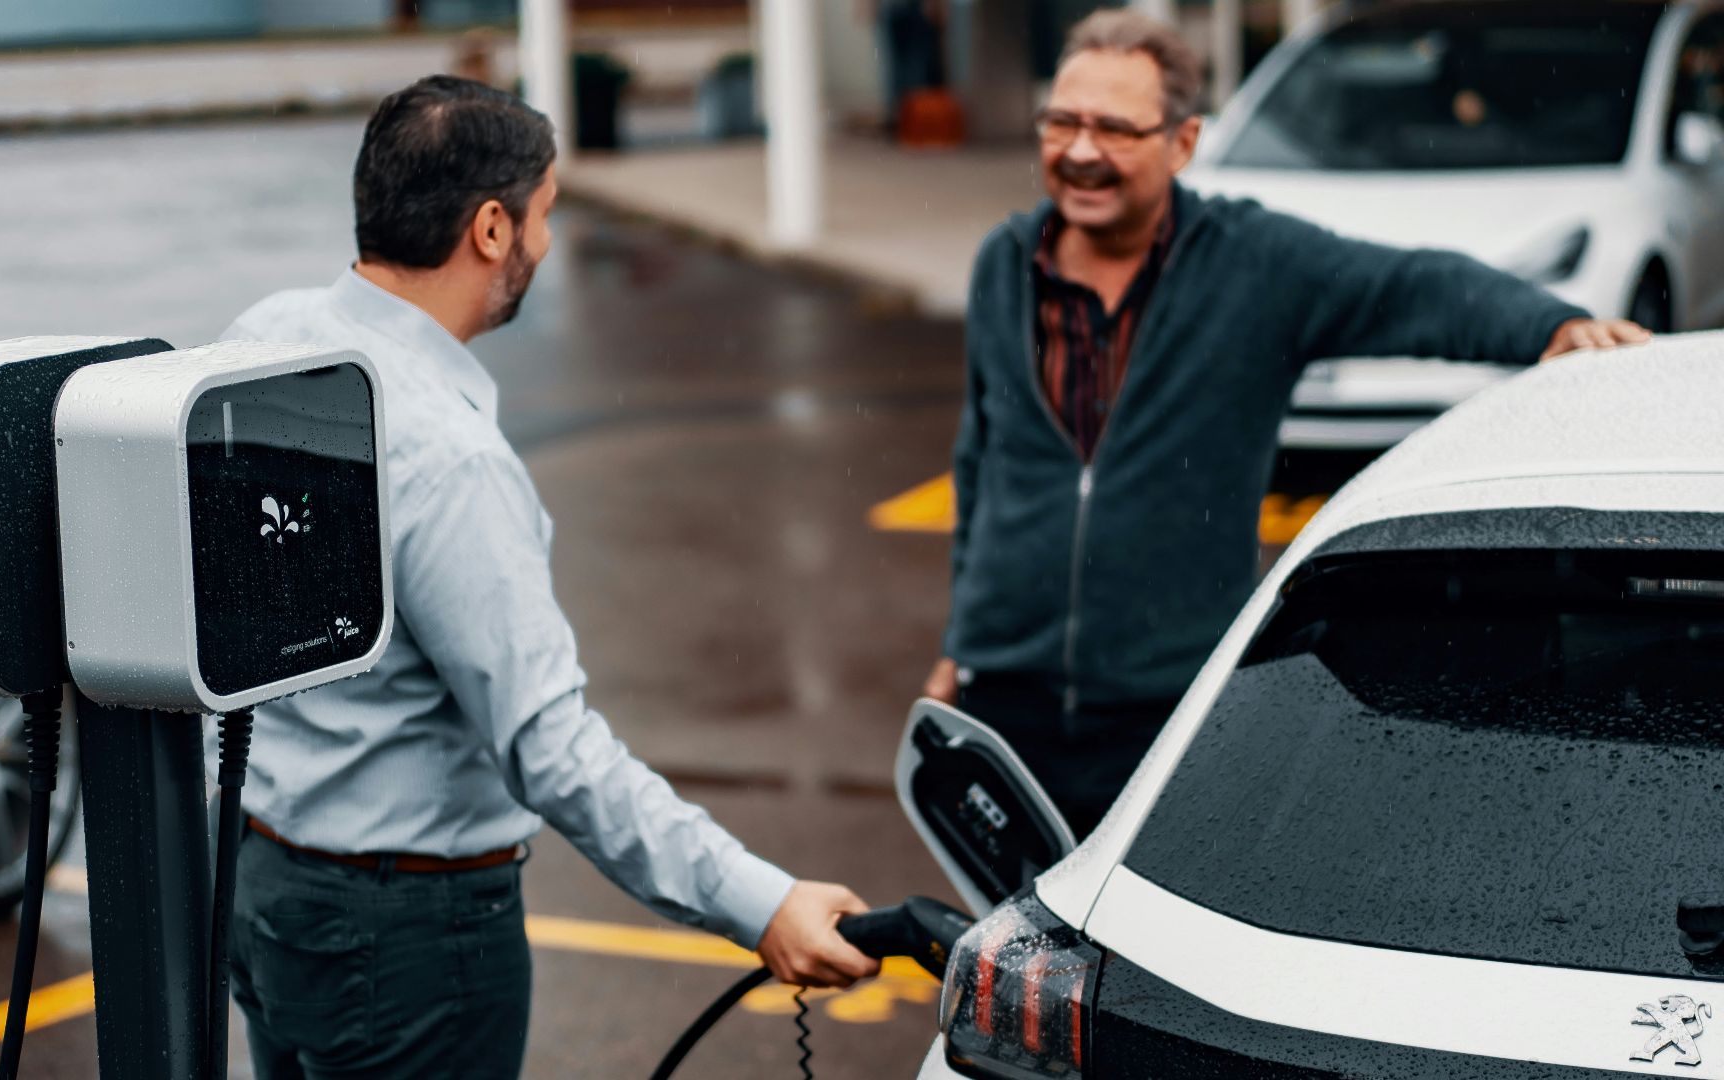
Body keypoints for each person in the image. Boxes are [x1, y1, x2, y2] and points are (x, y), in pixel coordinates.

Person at [221, 76, 878, 1080]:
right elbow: (555, 752)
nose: (546, 243)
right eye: (546, 218)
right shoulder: (450, 461)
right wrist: (760, 901)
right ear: (491, 229)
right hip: (409, 945)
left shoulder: (264, 338)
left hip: (267, 891)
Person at [924, 11, 1650, 836]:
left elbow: (1408, 285)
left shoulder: (1256, 264)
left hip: (1170, 703)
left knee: (1145, 946)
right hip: (1004, 705)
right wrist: (960, 638)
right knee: (1011, 950)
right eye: (1063, 121)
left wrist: (1548, 326)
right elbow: (984, 457)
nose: (1081, 151)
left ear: (1183, 141)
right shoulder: (1003, 261)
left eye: (1115, 129)